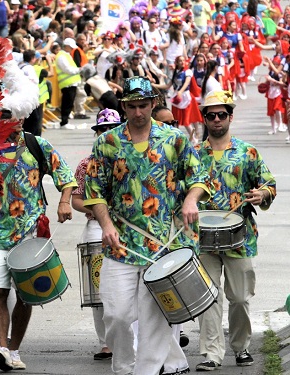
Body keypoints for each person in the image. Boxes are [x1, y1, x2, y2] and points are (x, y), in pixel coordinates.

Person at [84, 77, 210, 375]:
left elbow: (199, 178)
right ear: (124, 106)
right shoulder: (107, 142)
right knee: (115, 314)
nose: (138, 112)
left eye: (143, 105)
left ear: (154, 103)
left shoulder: (175, 139)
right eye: (132, 107)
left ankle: (145, 371)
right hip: (121, 243)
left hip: (165, 243)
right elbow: (94, 190)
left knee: (153, 317)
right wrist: (105, 224)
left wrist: (191, 200)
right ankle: (125, 366)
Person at [194, 90, 276, 371]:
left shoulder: (247, 151)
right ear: (204, 118)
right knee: (208, 296)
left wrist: (261, 194)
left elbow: (268, 183)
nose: (217, 120)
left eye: (222, 115)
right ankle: (211, 354)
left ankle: (240, 347)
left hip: (239, 236)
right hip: (202, 238)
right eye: (211, 115)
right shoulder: (192, 154)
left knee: (239, 298)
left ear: (230, 116)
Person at [0, 119, 77, 371]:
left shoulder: (38, 145)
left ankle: (14, 349)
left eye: (17, 116)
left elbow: (66, 176)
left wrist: (64, 202)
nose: (11, 121)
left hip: (30, 232)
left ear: (25, 117)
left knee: (26, 295)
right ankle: (2, 349)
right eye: (5, 115)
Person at [71, 109, 120, 361]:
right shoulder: (84, 165)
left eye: (112, 128)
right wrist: (100, 211)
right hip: (95, 229)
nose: (107, 134)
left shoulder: (130, 159)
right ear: (97, 133)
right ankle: (105, 343)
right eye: (102, 130)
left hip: (126, 228)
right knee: (99, 291)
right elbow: (76, 200)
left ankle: (128, 339)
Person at [55, 38, 83, 129]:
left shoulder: (66, 55)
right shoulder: (61, 56)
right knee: (67, 103)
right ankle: (64, 122)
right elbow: (67, 69)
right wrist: (79, 70)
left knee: (69, 103)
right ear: (66, 46)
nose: (72, 49)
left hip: (71, 83)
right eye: (70, 47)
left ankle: (65, 121)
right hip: (67, 83)